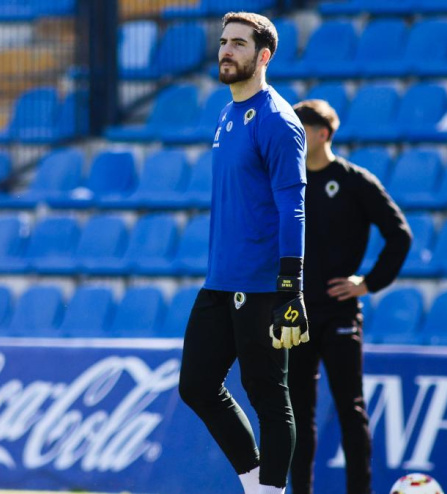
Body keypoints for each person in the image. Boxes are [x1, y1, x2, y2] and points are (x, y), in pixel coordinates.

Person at [178, 12, 309, 494]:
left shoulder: (278, 120)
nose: (226, 51)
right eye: (223, 42)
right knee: (195, 385)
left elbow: (293, 207)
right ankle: (257, 485)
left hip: (260, 286)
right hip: (220, 280)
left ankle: (269, 491)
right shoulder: (228, 113)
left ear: (263, 55)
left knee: (270, 401)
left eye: (238, 43)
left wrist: (290, 288)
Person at [288, 100, 412, 494]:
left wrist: (368, 282)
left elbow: (399, 235)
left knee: (350, 410)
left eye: (301, 129)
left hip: (341, 313)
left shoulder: (355, 180)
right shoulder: (288, 183)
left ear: (323, 133)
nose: (294, 136)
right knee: (298, 417)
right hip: (297, 314)